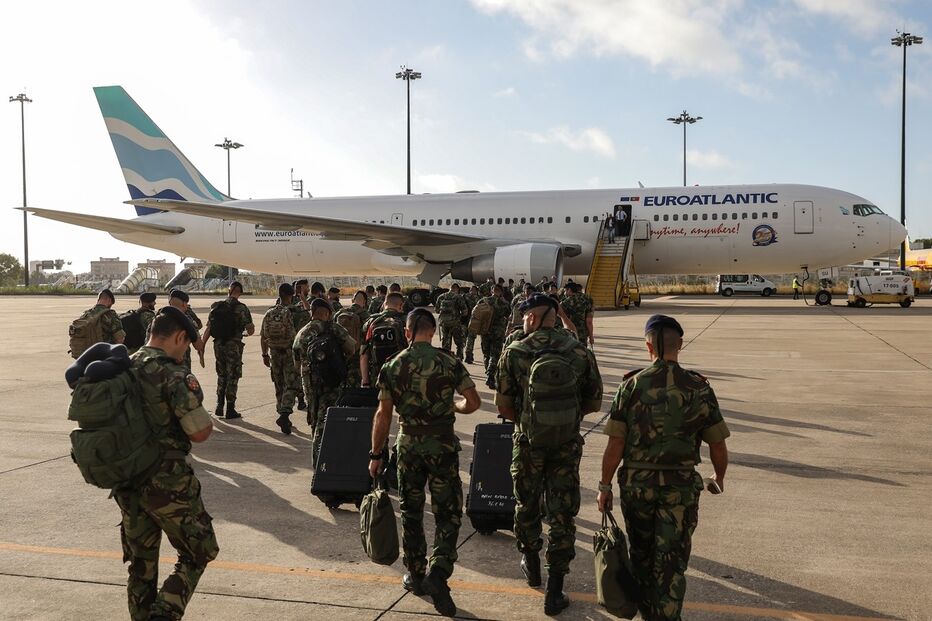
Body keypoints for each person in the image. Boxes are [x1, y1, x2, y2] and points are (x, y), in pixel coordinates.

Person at [597, 314, 730, 621]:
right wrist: (718, 477)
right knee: (671, 564)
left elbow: (615, 445)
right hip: (680, 488)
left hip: (637, 487)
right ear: (679, 345)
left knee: (642, 559)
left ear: (648, 347)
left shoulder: (631, 386)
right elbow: (718, 445)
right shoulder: (698, 388)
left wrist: (604, 487)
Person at [368, 309, 481, 617]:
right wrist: (454, 405)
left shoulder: (393, 365)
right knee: (448, 512)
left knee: (412, 511)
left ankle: (417, 577)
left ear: (407, 332)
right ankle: (439, 572)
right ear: (433, 331)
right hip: (442, 445)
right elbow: (473, 402)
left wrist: (376, 454)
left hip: (409, 447)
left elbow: (383, 415)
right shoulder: (449, 361)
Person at [495, 294, 603, 616]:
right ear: (555, 317)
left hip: (528, 444)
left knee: (526, 504)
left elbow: (503, 406)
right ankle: (555, 591)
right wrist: (565, 421)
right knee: (561, 513)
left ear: (532, 317)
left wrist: (530, 422)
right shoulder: (579, 351)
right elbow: (594, 402)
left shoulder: (515, 352)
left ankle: (531, 565)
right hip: (566, 446)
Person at [117, 306, 218, 621]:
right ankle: (164, 613)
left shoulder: (120, 369)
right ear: (178, 337)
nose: (184, 350)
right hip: (168, 483)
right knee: (200, 551)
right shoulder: (173, 374)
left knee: (141, 564)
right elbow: (199, 432)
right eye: (186, 344)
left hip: (127, 482)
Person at [293, 298, 356, 464]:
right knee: (327, 421)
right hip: (332, 382)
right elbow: (352, 347)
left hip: (309, 383)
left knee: (315, 420)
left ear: (312, 313)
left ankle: (316, 461)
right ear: (327, 313)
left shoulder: (302, 333)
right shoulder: (334, 328)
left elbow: (296, 362)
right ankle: (325, 463)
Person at [203, 281, 254, 419]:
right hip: (233, 345)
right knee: (233, 375)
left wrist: (201, 346)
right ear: (240, 292)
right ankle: (230, 409)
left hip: (218, 345)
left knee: (221, 374)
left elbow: (208, 328)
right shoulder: (242, 308)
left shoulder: (217, 306)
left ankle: (219, 405)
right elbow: (250, 330)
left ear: (229, 290)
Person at [261, 283, 299, 434]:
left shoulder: (269, 313)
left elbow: (263, 336)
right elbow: (294, 335)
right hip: (288, 352)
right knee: (291, 384)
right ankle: (285, 413)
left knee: (278, 384)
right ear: (291, 296)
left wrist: (264, 354)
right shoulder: (292, 312)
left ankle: (281, 414)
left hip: (274, 352)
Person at [360, 292, 408, 388]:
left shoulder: (370, 323)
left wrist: (365, 381)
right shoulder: (406, 321)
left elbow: (364, 354)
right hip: (401, 377)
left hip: (377, 376)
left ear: (384, 304)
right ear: (401, 305)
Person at [71, 289, 125, 355]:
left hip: (84, 355)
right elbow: (120, 339)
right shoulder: (110, 314)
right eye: (111, 304)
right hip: (103, 355)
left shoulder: (86, 314)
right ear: (109, 300)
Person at [478, 283, 511, 389]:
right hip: (498, 332)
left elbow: (477, 313)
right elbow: (508, 316)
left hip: (485, 330)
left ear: (492, 290)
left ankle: (488, 372)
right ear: (501, 292)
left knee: (486, 354)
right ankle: (490, 376)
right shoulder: (504, 303)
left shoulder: (484, 300)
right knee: (494, 354)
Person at [334, 290, 370, 387]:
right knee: (355, 381)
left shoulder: (340, 313)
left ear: (352, 300)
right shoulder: (366, 315)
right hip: (357, 352)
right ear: (365, 302)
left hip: (341, 352)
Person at [165, 289, 204, 369]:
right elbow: (198, 345)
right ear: (183, 303)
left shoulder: (157, 318)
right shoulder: (187, 321)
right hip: (181, 364)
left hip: (161, 365)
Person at [435, 283, 468, 359]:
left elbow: (436, 310)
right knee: (459, 343)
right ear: (457, 289)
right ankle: (459, 358)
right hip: (455, 323)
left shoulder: (441, 297)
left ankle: (446, 359)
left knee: (446, 343)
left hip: (444, 324)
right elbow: (465, 312)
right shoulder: (458, 297)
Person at [462, 285, 481, 364]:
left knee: (465, 339)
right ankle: (468, 355)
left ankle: (467, 355)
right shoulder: (479, 299)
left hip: (465, 321)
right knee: (470, 339)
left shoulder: (464, 296)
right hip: (474, 321)